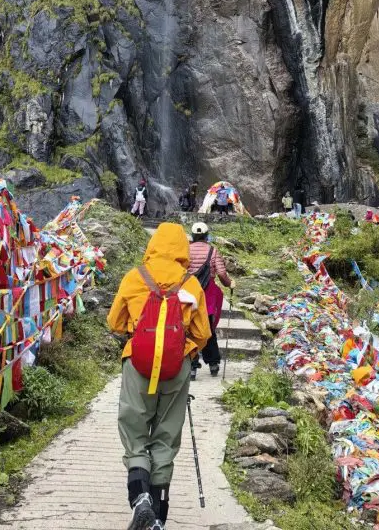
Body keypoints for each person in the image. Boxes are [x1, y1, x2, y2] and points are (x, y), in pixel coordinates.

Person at [108, 223, 211, 530]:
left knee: (135, 433)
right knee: (166, 437)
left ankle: (140, 500)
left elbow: (114, 321)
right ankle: (159, 520)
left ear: (153, 245)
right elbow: (203, 333)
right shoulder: (190, 284)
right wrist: (187, 349)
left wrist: (137, 333)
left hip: (137, 364)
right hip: (176, 367)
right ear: (182, 248)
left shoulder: (135, 277)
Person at [188, 222, 233, 379]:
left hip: (188, 295)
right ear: (207, 235)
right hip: (207, 295)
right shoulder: (213, 251)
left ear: (192, 235)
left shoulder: (185, 250)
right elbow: (221, 273)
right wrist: (229, 283)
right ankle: (213, 363)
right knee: (207, 329)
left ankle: (191, 365)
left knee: (188, 329)